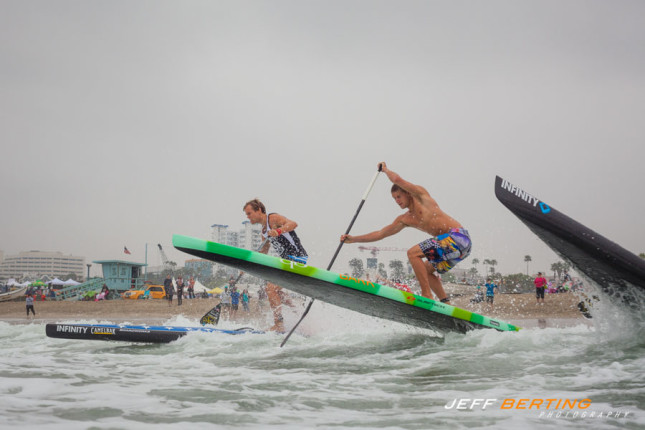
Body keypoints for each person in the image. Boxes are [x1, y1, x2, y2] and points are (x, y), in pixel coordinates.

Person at [341, 162, 471, 303]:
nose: (397, 201)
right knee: (426, 271)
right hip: (459, 249)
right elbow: (380, 233)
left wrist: (385, 170)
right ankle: (446, 304)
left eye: (399, 196)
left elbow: (397, 180)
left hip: (459, 237)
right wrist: (353, 239)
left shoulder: (422, 197)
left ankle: (426, 295)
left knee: (412, 253)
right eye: (394, 199)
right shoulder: (405, 219)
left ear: (408, 193)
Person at [243, 198, 308, 332]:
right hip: (287, 262)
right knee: (276, 291)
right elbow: (263, 253)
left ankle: (279, 325)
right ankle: (300, 314)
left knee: (271, 289)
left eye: (249, 213)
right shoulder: (263, 232)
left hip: (297, 259)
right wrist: (246, 266)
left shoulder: (272, 218)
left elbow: (294, 224)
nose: (248, 217)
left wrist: (278, 231)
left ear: (259, 210)